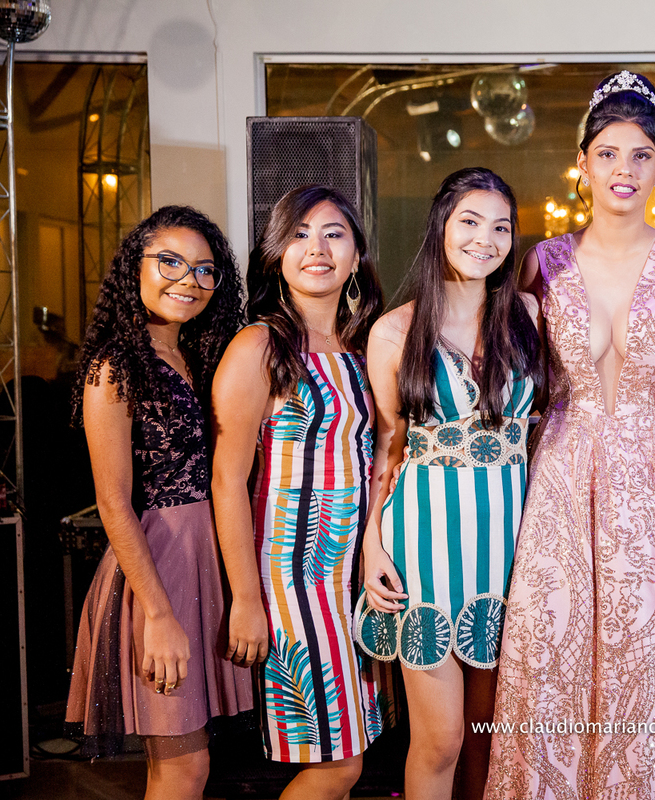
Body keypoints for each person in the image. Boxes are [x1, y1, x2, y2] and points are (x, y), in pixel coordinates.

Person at [485, 71, 655, 799]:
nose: (624, 170)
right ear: (581, 163)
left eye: (641, 155)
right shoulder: (540, 262)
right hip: (563, 485)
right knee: (560, 658)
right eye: (607, 153)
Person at [359, 168, 542, 800]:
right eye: (469, 221)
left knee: (491, 737)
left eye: (501, 227)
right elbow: (387, 447)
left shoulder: (528, 315)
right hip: (425, 546)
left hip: (511, 548)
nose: (484, 239)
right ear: (441, 224)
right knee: (440, 740)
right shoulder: (394, 331)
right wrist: (371, 544)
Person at [65, 206, 252, 799]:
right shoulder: (114, 366)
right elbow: (112, 503)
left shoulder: (200, 356)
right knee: (183, 769)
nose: (188, 280)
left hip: (207, 562)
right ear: (134, 269)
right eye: (170, 262)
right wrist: (159, 615)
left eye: (204, 269)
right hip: (157, 572)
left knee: (189, 768)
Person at [211, 185, 389, 798]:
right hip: (292, 579)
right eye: (299, 234)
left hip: (353, 578)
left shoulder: (366, 345)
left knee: (350, 758)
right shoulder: (259, 346)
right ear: (277, 255)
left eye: (334, 234)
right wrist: (245, 599)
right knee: (338, 765)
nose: (317, 248)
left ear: (356, 254)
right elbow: (227, 480)